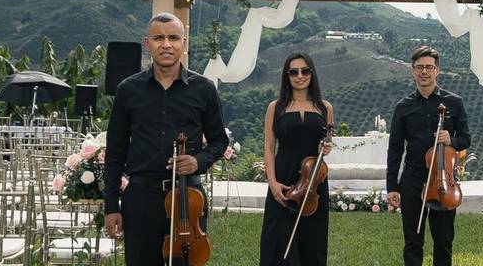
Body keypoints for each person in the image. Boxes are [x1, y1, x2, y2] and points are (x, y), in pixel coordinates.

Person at [103, 13, 230, 266]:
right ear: (147, 43)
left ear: (184, 42)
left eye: (173, 37)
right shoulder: (128, 89)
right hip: (140, 197)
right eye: (158, 38)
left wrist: (198, 161)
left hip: (187, 197)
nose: (166, 44)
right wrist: (111, 206)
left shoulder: (204, 88)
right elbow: (115, 150)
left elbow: (219, 141)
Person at [386, 46, 471, 266]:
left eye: (429, 67)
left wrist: (451, 140)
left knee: (443, 242)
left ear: (437, 71)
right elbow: (395, 148)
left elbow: (466, 139)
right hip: (413, 180)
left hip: (443, 182)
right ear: (412, 71)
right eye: (420, 67)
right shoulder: (403, 107)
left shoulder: (454, 102)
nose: (424, 71)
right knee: (413, 241)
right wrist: (392, 186)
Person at [260, 53, 334, 266]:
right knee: (278, 238)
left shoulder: (325, 107)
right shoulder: (276, 107)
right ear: (287, 76)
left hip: (313, 182)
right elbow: (269, 146)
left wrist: (326, 147)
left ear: (312, 73)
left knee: (312, 240)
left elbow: (326, 142)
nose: (299, 76)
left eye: (305, 71)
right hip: (283, 176)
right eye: (293, 71)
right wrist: (272, 182)